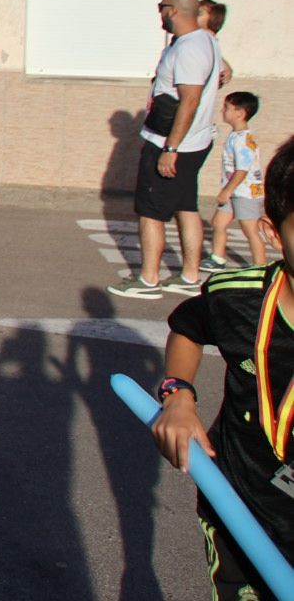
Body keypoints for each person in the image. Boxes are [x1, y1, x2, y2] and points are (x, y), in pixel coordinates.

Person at [150, 134, 294, 601]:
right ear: (273, 233)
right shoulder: (238, 297)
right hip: (241, 516)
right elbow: (188, 330)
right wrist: (178, 395)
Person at [110, 0, 222, 300]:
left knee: (151, 212)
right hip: (194, 142)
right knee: (186, 208)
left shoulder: (188, 50)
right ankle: (189, 275)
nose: (159, 14)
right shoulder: (205, 40)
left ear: (172, 10)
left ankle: (148, 280)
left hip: (171, 143)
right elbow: (223, 68)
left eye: (161, 8)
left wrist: (170, 149)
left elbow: (190, 101)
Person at [202, 91, 269, 270]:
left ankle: (260, 266)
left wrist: (227, 191)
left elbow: (242, 170)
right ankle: (217, 258)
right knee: (218, 223)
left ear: (240, 113)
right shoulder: (235, 136)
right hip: (233, 191)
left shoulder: (243, 140)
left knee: (250, 229)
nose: (223, 111)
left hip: (244, 192)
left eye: (227, 108)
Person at [199, 0, 235, 87]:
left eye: (199, 13)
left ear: (212, 18)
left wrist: (225, 67)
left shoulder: (204, 37)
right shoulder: (205, 38)